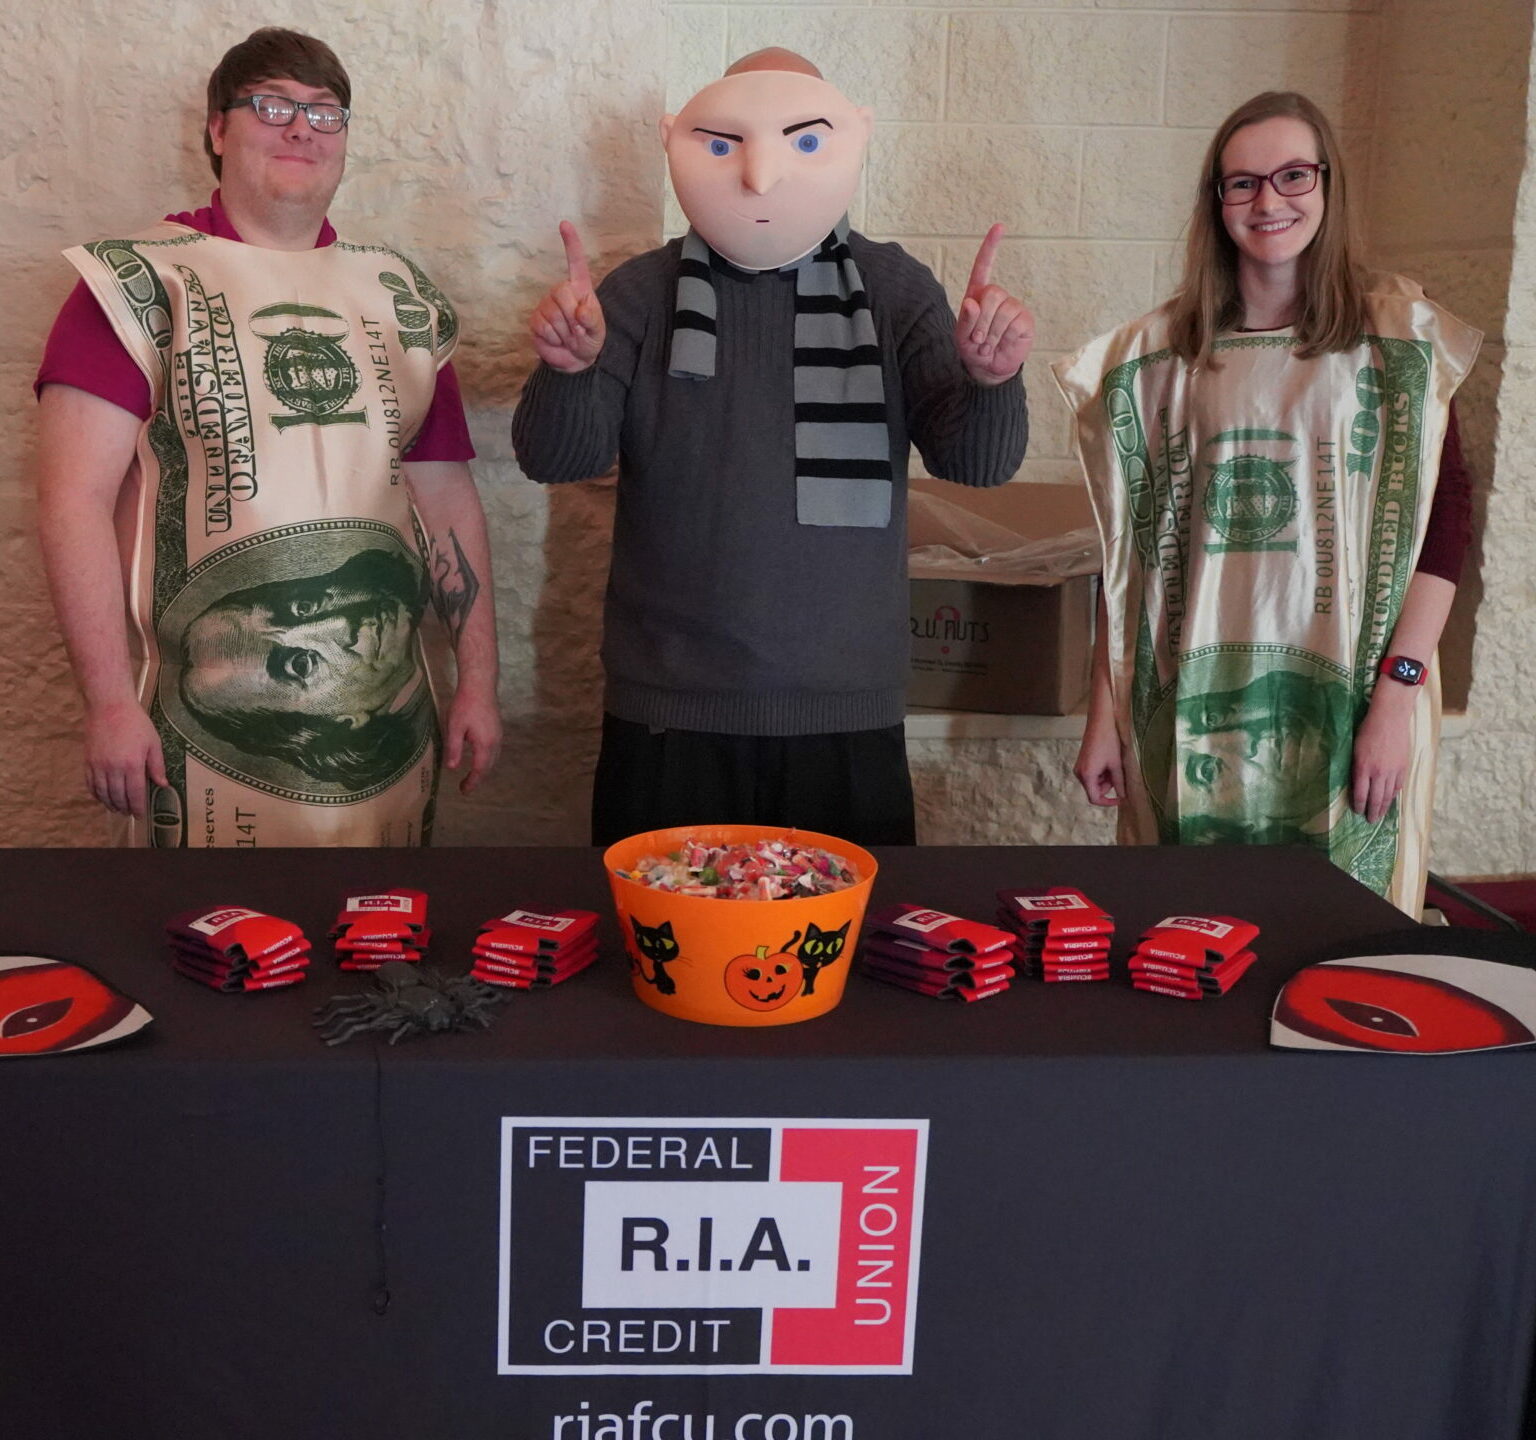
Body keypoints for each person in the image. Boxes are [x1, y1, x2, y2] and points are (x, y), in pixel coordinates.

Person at [513, 49, 1031, 847]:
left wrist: (991, 379)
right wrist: (568, 372)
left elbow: (978, 464)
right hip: (668, 715)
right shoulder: (638, 293)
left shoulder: (892, 290)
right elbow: (556, 458)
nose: (763, 170)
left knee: (843, 963)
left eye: (799, 137)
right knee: (660, 961)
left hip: (847, 716)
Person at [35, 27, 500, 846]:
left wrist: (479, 686)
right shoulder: (138, 284)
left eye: (327, 114)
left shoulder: (404, 300)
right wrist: (107, 702)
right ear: (217, 130)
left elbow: (448, 499)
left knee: (380, 944)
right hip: (200, 742)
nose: (302, 130)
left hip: (387, 732)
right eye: (273, 105)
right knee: (216, 951)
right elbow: (73, 501)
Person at [1056, 91, 1480, 914]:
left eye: (1292, 176)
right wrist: (1104, 712)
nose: (1268, 201)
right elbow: (1134, 557)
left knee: (1339, 935)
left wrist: (1397, 691)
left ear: (1327, 186)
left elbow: (1445, 522)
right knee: (1190, 927)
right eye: (1241, 183)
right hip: (1193, 689)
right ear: (1216, 203)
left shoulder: (1397, 337)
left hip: (1357, 690)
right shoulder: (1164, 355)